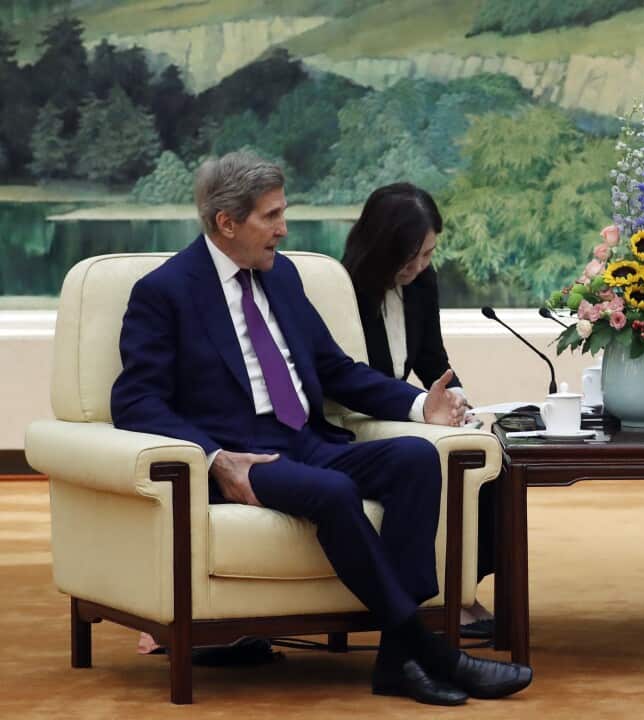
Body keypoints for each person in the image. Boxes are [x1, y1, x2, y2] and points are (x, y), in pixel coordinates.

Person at [110, 152, 531, 706]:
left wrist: (417, 406)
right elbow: (135, 401)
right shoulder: (165, 291)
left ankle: (395, 661)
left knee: (415, 459)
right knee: (333, 492)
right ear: (227, 223)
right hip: (246, 458)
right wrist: (215, 459)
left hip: (307, 440)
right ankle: (431, 652)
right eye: (271, 216)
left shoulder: (281, 275)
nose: (284, 229)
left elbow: (335, 370)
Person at [341, 182, 496, 640]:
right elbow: (351, 380)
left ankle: (463, 587)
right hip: (357, 415)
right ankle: (441, 599)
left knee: (489, 455)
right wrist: (423, 409)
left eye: (428, 254)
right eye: (411, 256)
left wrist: (459, 400)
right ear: (381, 246)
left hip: (405, 411)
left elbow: (431, 359)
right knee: (441, 458)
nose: (420, 266)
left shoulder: (423, 282)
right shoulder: (342, 287)